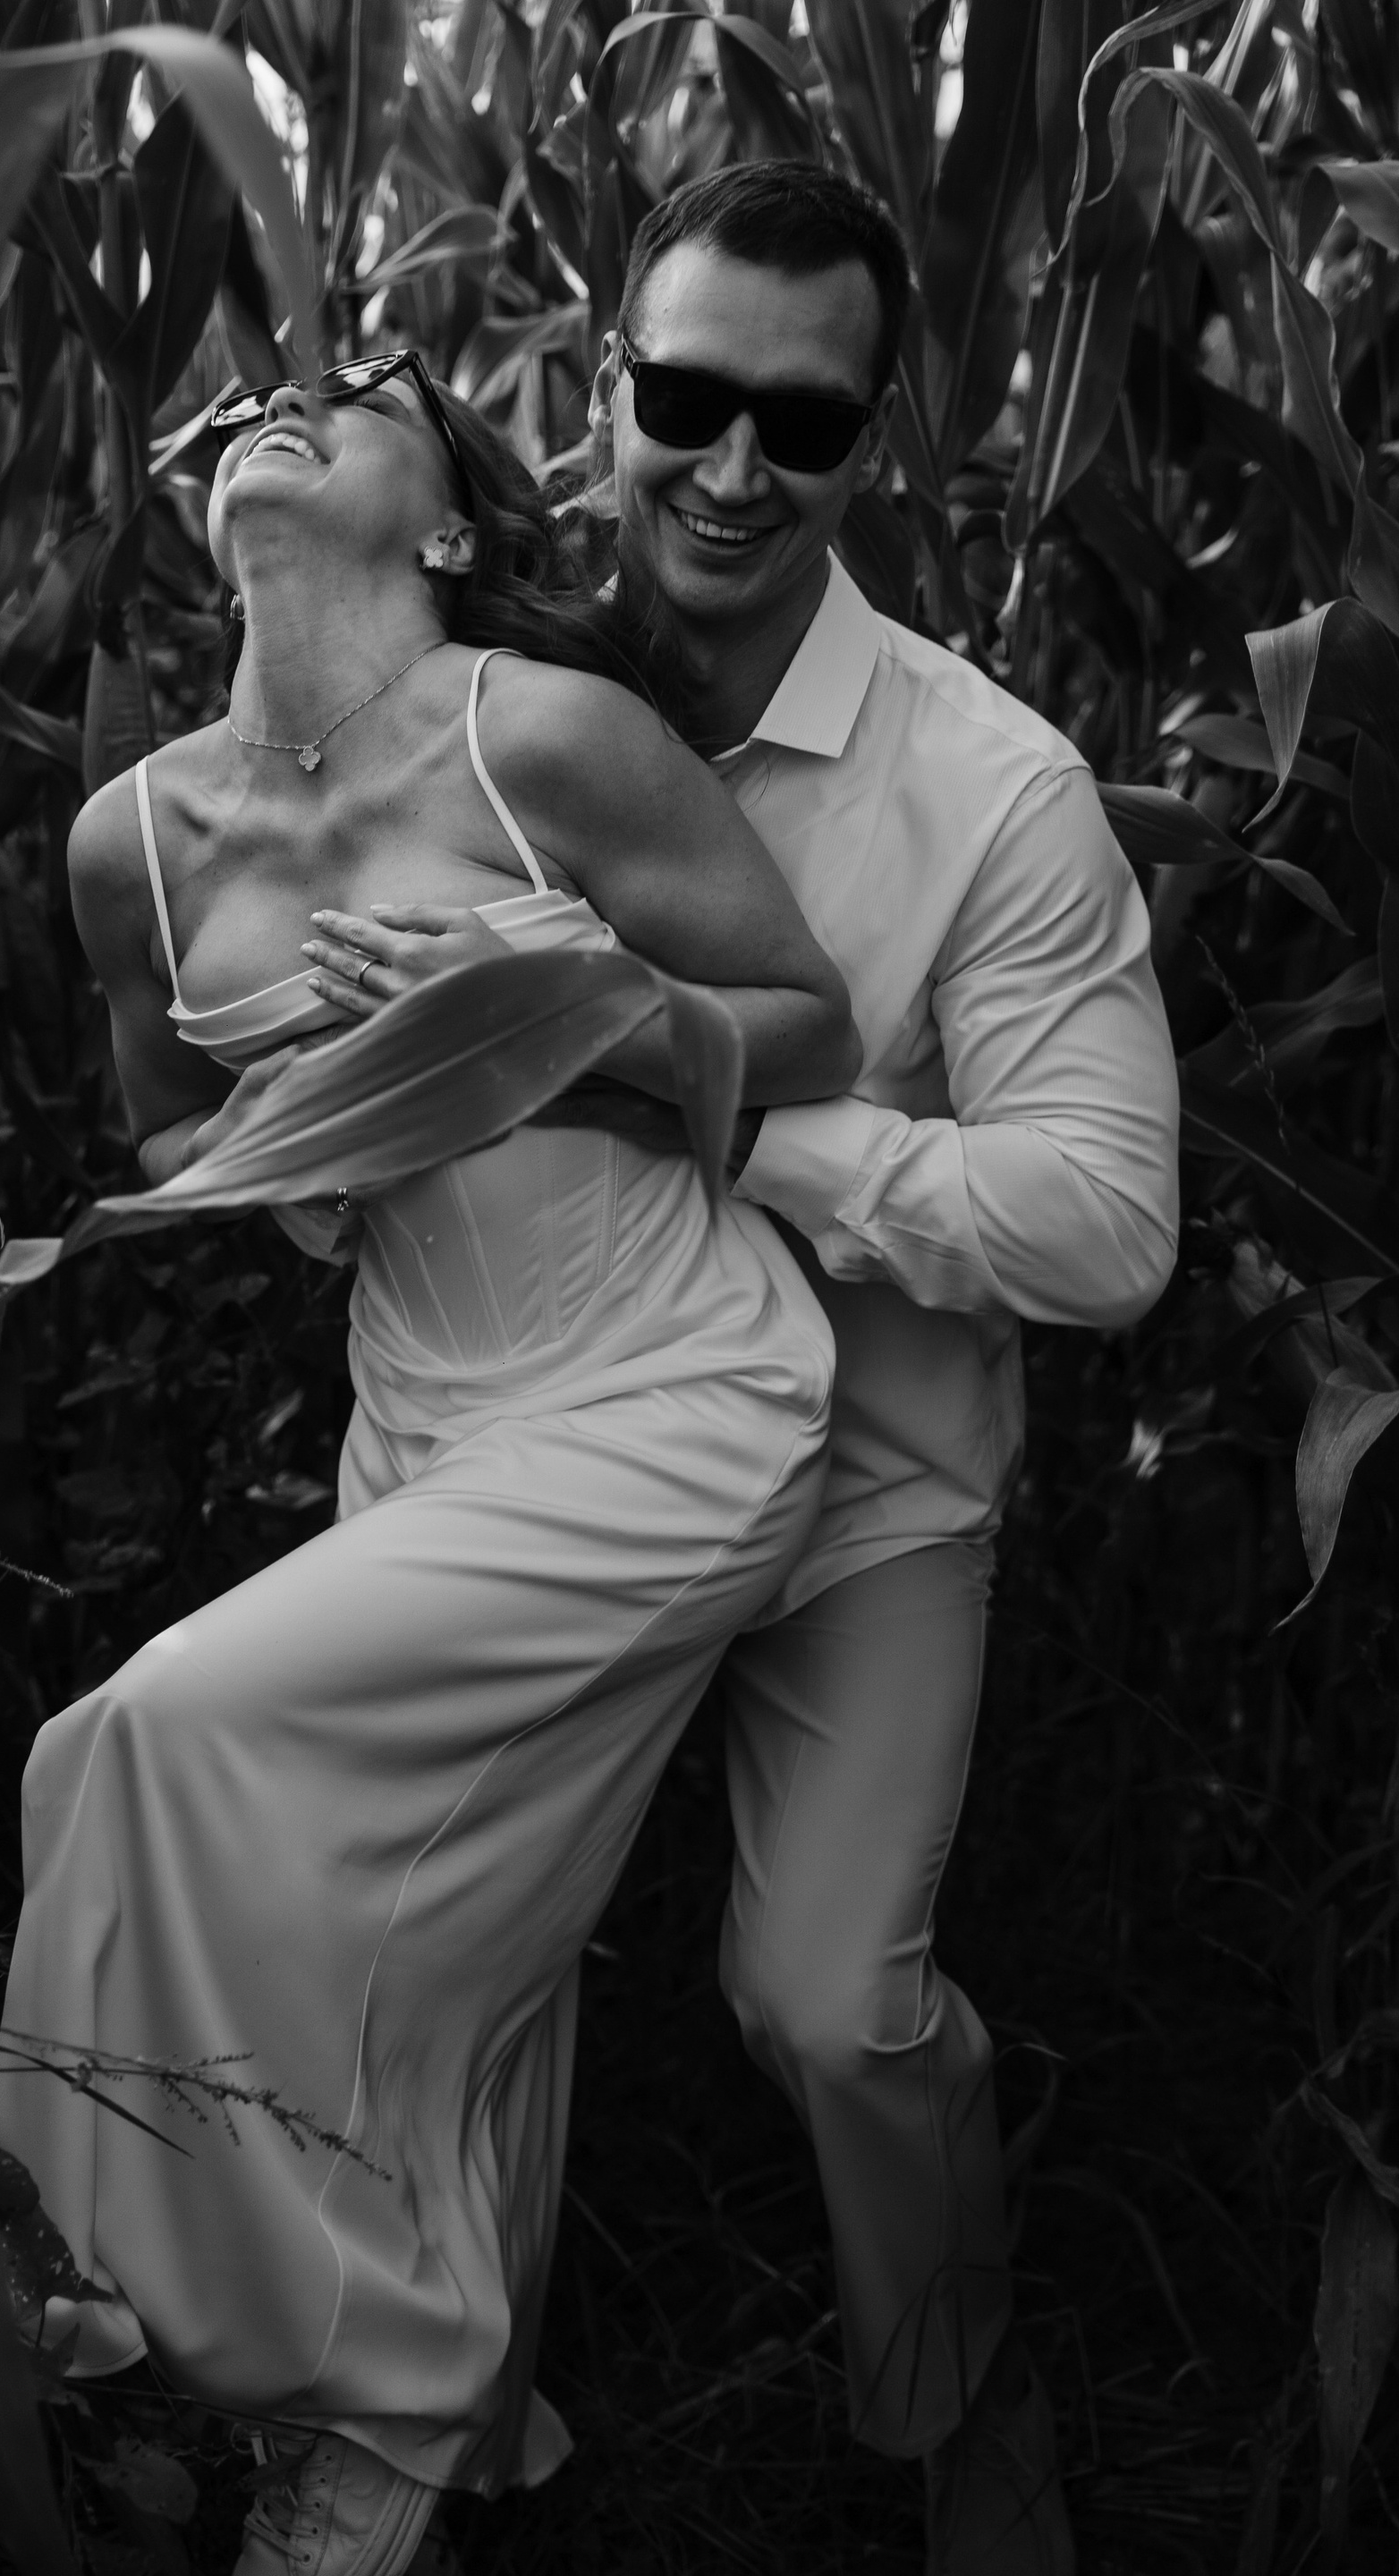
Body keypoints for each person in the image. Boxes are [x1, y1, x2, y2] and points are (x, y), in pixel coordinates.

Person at [319, 167, 1180, 2573]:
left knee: (825, 2002)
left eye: (798, 423)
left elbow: (1107, 1221)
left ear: (874, 438)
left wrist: (689, 1092)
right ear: (603, 383)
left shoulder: (989, 793)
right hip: (507, 1438)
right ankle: (435, 2430)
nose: (728, 467)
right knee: (422, 1958)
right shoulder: (454, 695)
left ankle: (950, 2388)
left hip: (858, 1483)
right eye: (684, 397)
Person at [0, 351, 864, 2576]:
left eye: (353, 385)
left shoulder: (535, 733)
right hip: (424, 1419)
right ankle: (396, 2447)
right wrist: (292, 1142)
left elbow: (807, 1023)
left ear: (452, 525)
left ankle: (149, 2352)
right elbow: (165, 1132)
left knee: (133, 1743)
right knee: (466, 1936)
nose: (274, 401)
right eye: (244, 403)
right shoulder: (130, 843)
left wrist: (565, 1011)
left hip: (666, 1390)